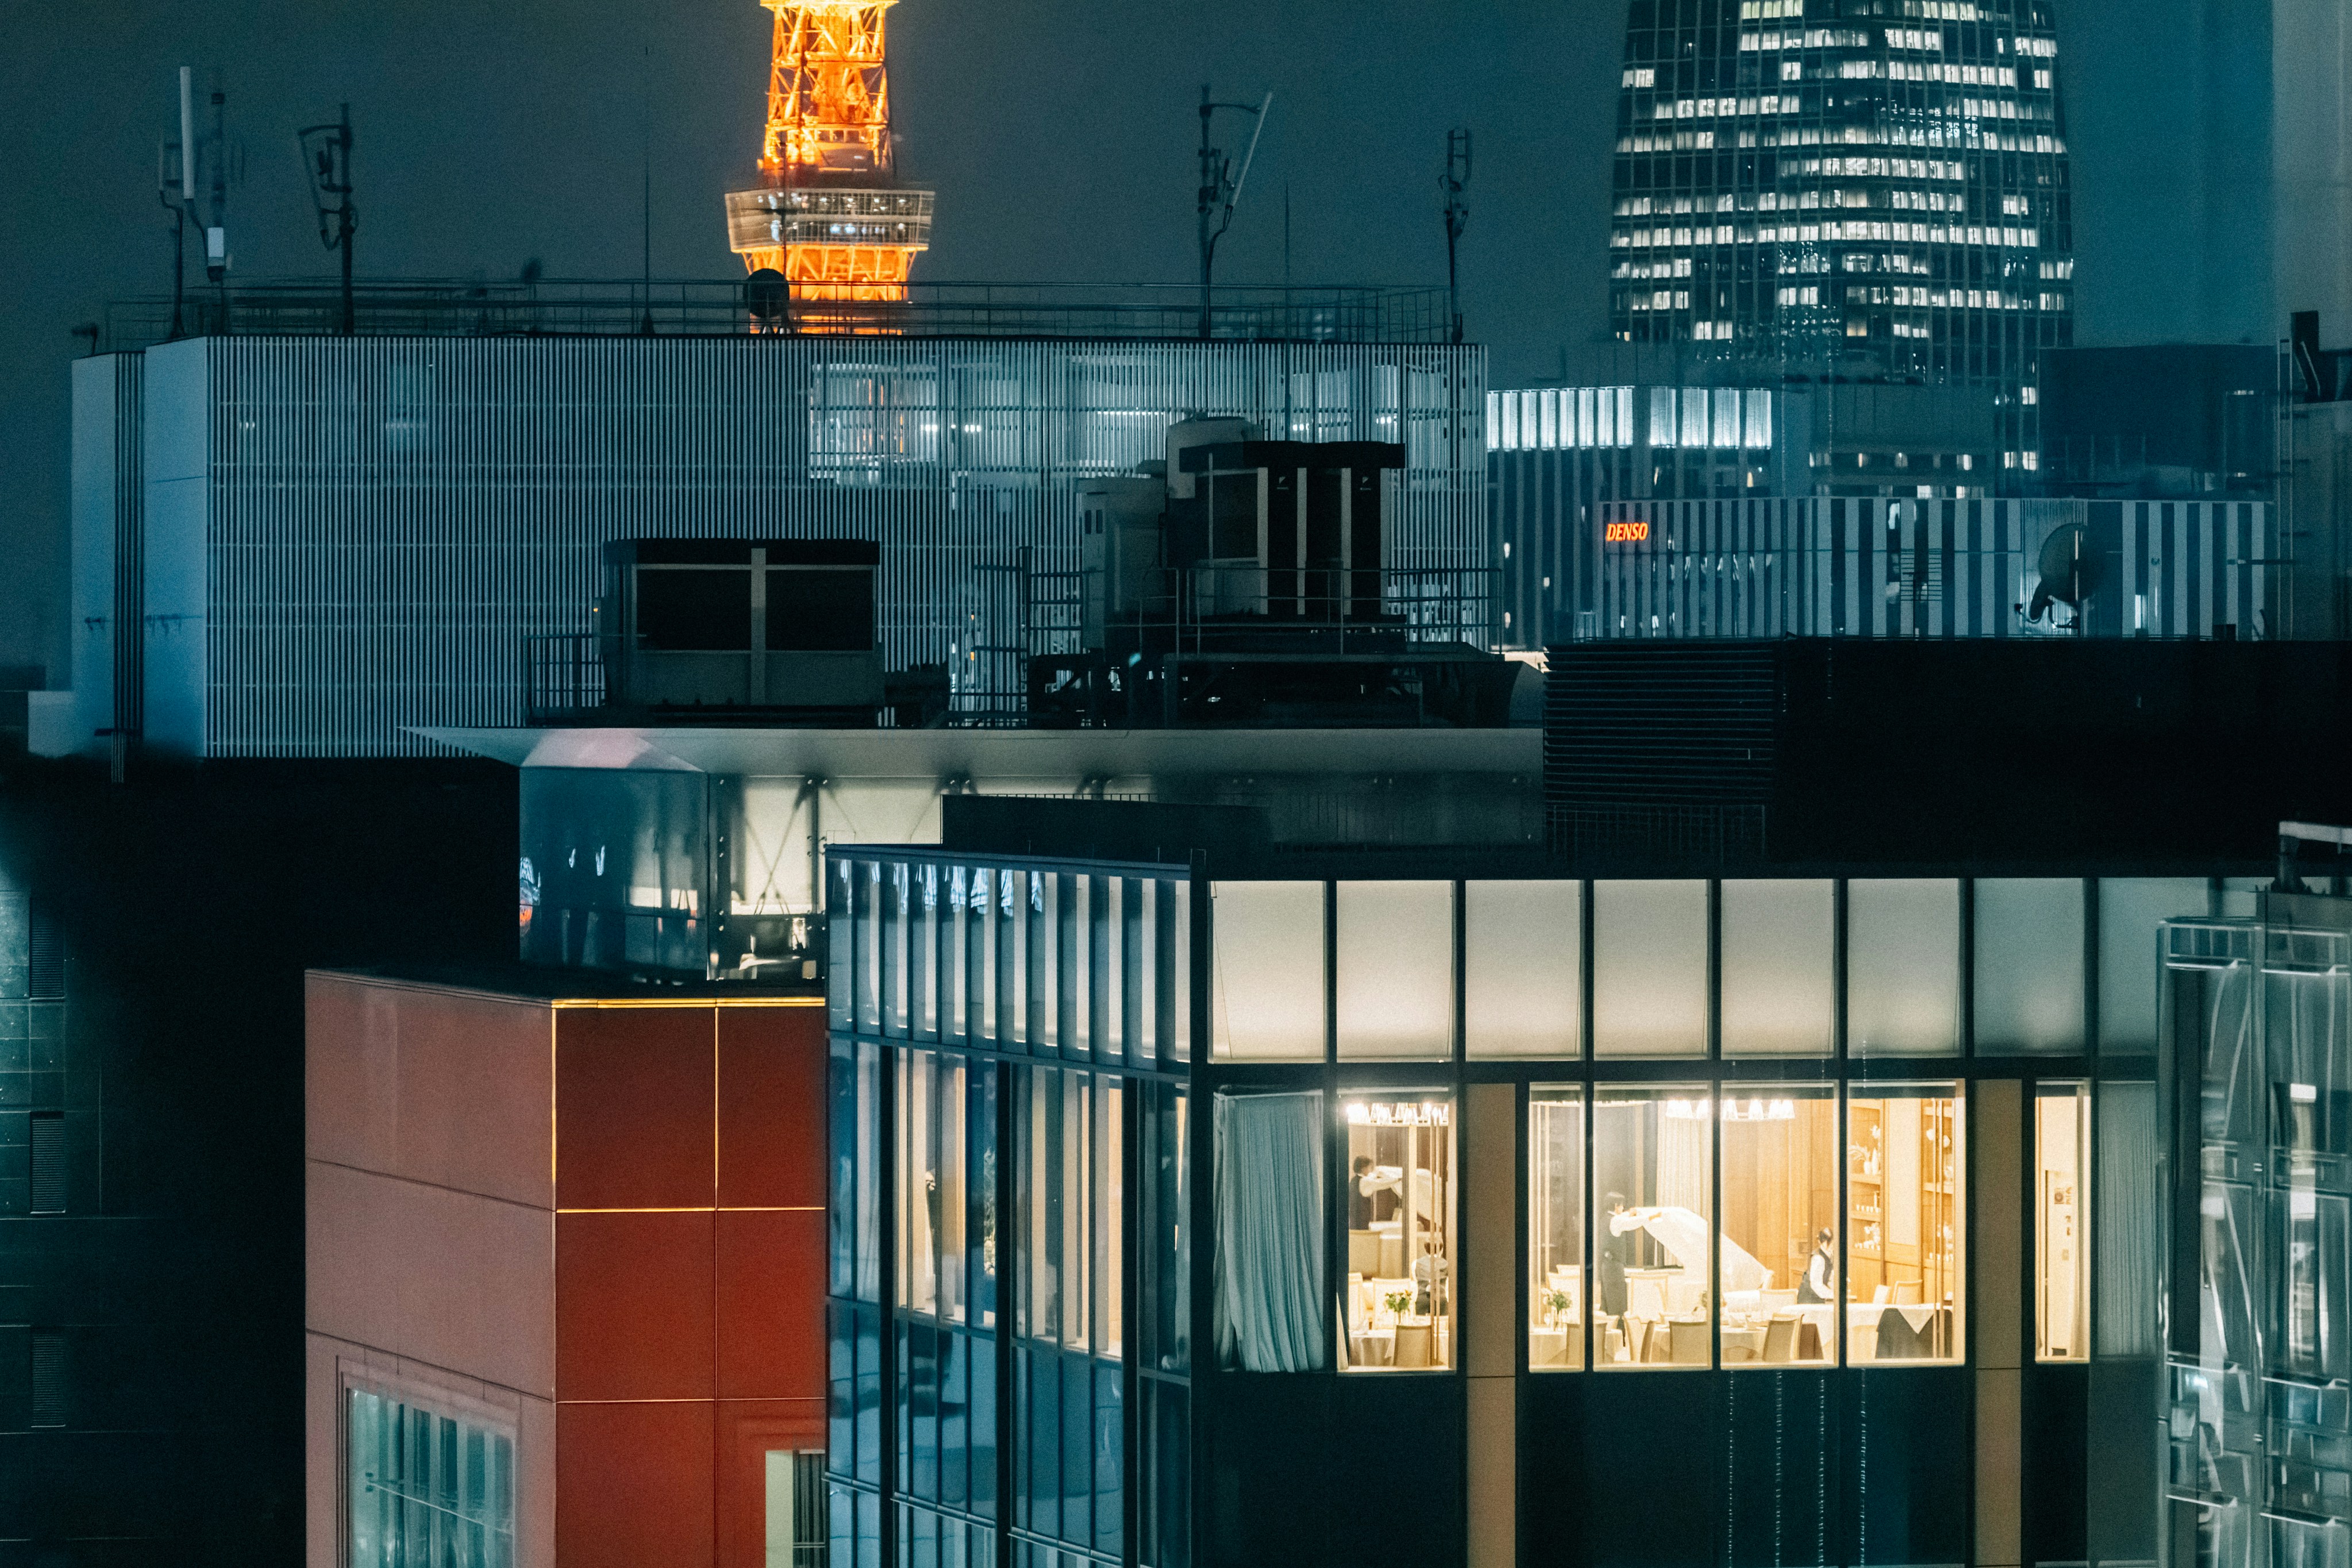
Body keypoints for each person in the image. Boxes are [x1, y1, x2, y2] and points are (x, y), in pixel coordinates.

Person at [1599, 1191, 1631, 1318]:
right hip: (1614, 1266)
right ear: (1616, 1205)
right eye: (1622, 1205)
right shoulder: (1614, 1220)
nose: (1623, 1208)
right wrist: (1631, 1213)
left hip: (1607, 1266)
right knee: (1617, 1303)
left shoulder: (1604, 1219)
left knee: (1608, 1303)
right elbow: (1629, 1221)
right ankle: (1618, 1335)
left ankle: (1610, 1335)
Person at [1797, 1227, 1835, 1304]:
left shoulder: (1831, 1255)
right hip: (1809, 1298)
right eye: (1827, 1241)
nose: (1831, 1244)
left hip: (1819, 1296)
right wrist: (1833, 1295)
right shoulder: (1818, 1258)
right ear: (1820, 1241)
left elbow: (1830, 1278)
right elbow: (1816, 1285)